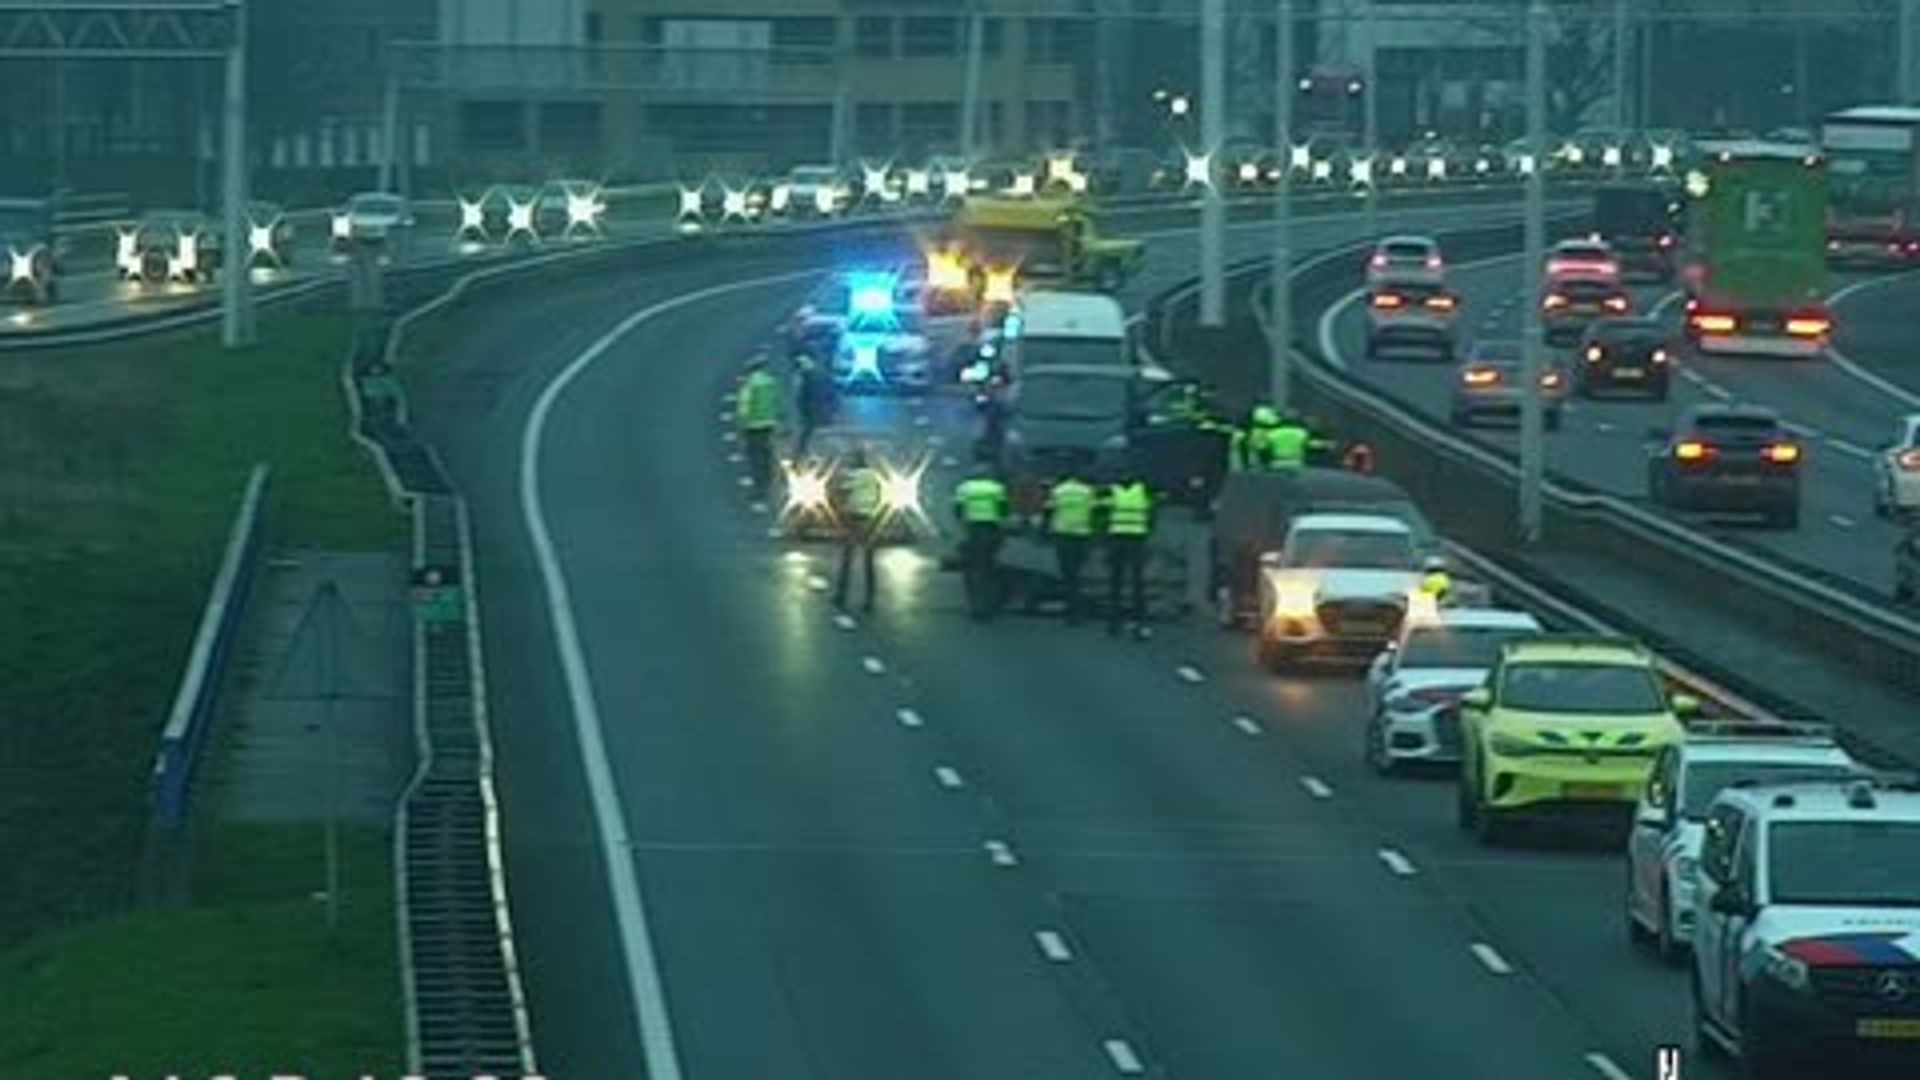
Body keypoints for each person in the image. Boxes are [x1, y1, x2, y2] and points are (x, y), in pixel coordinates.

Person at [953, 466, 1011, 620]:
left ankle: (977, 606)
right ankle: (988, 605)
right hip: (991, 529)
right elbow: (1004, 510)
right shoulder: (996, 488)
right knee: (989, 568)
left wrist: (963, 527)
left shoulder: (964, 488)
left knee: (974, 569)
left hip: (973, 530)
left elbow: (958, 510)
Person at [1104, 466, 1155, 638]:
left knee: (1117, 582)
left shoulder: (1114, 491)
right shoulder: (1143, 491)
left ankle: (1114, 622)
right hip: (1136, 539)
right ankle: (1138, 620)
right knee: (1136, 582)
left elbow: (1105, 513)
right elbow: (1151, 514)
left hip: (1118, 538)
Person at [832, 447, 884, 612]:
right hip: (871, 520)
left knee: (847, 559)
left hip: (853, 519)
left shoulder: (851, 475)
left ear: (855, 461)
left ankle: (841, 597)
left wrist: (839, 509)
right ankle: (870, 600)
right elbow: (880, 495)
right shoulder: (875, 477)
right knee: (869, 562)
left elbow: (840, 492)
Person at [1045, 472, 1098, 624]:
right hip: (1082, 536)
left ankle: (1072, 611)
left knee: (1068, 574)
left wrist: (1044, 532)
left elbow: (1049, 511)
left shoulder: (1058, 491)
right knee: (1077, 573)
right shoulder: (1088, 491)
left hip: (1063, 536)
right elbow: (1094, 512)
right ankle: (1076, 611)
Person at [735, 353, 782, 499]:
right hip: (769, 424)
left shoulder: (749, 385)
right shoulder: (771, 382)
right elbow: (777, 402)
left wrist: (740, 425)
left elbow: (744, 407)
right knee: (767, 454)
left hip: (753, 426)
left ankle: (760, 487)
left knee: (756, 458)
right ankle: (770, 482)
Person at [792, 350, 837, 454]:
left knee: (809, 431)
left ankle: (804, 452)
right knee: (809, 431)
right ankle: (804, 452)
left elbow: (808, 395)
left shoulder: (811, 376)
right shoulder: (811, 375)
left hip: (813, 410)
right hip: (813, 410)